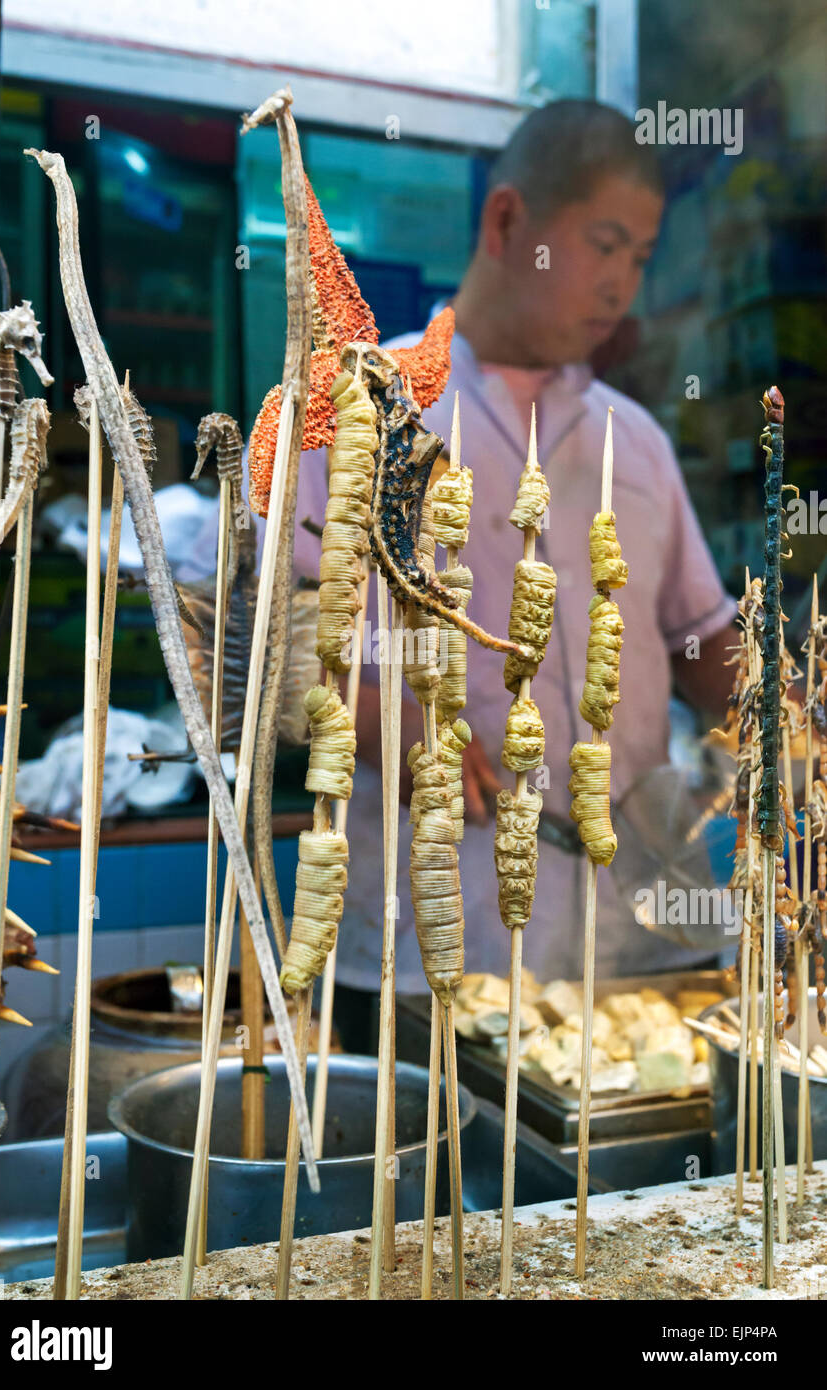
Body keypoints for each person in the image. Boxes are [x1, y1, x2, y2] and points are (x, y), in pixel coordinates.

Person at [294, 102, 739, 1049]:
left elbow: (700, 638)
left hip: (644, 944)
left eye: (641, 257)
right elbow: (288, 662)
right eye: (604, 244)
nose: (621, 283)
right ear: (508, 224)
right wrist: (395, 724)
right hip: (437, 954)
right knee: (445, 1182)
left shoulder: (637, 439)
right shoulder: (363, 420)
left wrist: (785, 705)